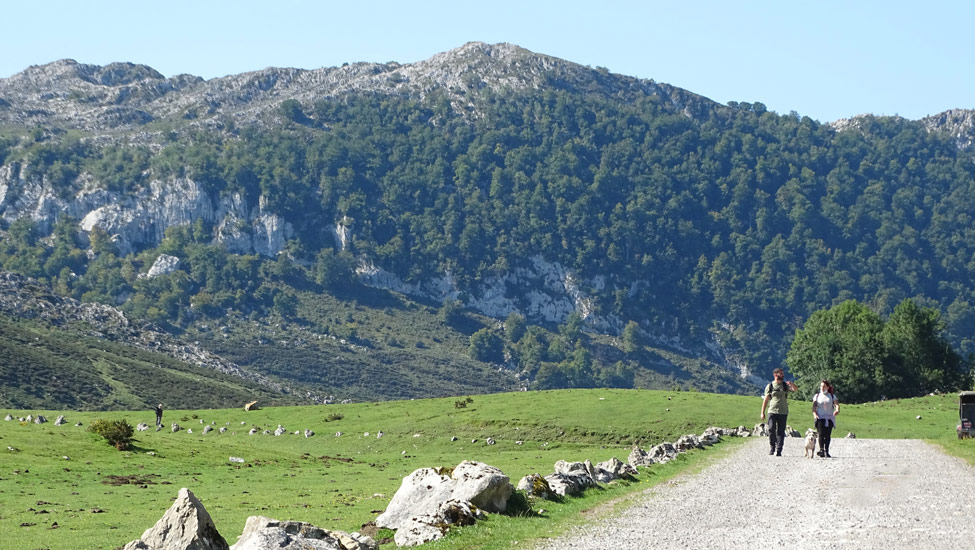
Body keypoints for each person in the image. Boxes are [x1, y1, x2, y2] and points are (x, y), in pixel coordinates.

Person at [760, 368, 797, 456]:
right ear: (775, 375)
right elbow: (765, 399)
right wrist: (762, 412)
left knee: (781, 431)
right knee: (771, 429)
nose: (783, 375)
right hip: (772, 410)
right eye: (781, 374)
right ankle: (772, 447)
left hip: (783, 411)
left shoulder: (785, 385)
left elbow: (795, 389)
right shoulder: (770, 386)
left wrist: (792, 384)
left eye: (783, 374)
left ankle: (779, 449)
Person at [812, 380, 839, 457]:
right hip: (820, 417)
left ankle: (826, 450)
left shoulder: (832, 396)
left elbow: (836, 404)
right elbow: (814, 406)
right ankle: (821, 449)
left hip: (829, 417)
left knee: (827, 435)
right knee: (820, 434)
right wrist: (814, 414)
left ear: (827, 387)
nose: (822, 388)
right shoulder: (817, 396)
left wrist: (837, 410)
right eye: (821, 386)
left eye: (824, 386)